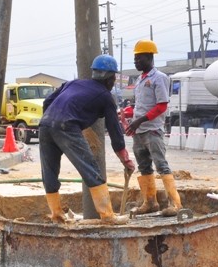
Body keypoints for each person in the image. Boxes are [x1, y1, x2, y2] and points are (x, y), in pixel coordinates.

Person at [38, 54, 135, 225]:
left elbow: (47, 102)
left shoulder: (73, 83)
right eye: (113, 78)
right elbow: (115, 132)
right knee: (91, 169)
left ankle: (57, 216)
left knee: (49, 172)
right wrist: (125, 159)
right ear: (110, 78)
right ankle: (107, 216)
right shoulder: (106, 96)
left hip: (45, 125)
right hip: (67, 126)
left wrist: (53, 120)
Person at [125, 39, 182, 217]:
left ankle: (175, 204)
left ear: (149, 57)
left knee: (161, 165)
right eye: (135, 58)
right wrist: (130, 116)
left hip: (152, 130)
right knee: (144, 167)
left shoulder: (159, 78)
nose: (136, 61)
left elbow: (162, 106)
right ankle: (150, 202)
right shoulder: (140, 80)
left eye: (139, 57)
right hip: (139, 131)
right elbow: (142, 105)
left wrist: (139, 120)